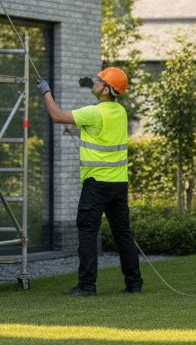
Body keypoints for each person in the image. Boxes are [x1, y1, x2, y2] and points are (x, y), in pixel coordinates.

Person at [37, 67, 142, 296]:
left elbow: (57, 116)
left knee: (86, 232)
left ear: (107, 90)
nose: (95, 82)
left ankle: (86, 286)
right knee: (122, 233)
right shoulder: (120, 112)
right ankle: (134, 284)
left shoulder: (94, 113)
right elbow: (100, 133)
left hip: (96, 184)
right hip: (118, 184)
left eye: (100, 80)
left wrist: (46, 92)